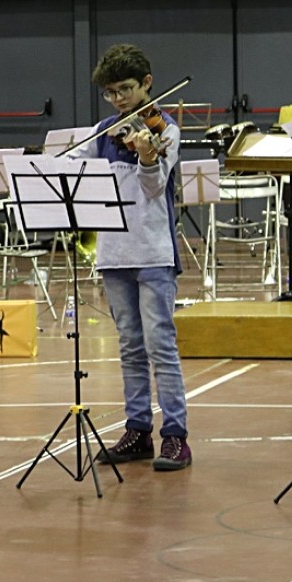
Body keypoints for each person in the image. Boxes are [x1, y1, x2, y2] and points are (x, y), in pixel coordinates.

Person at [68, 43, 191, 471]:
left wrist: (146, 156)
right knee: (130, 347)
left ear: (147, 85)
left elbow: (155, 190)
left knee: (161, 345)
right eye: (110, 93)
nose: (118, 100)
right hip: (113, 251)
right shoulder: (104, 131)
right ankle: (137, 430)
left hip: (153, 252)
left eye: (125, 89)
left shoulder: (165, 130)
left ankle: (175, 435)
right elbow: (71, 170)